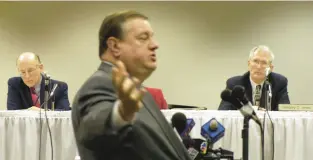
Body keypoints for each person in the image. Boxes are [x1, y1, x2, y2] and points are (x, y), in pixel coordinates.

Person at [71, 11, 191, 160]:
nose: (155, 45)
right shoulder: (100, 84)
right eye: (143, 38)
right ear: (114, 46)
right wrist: (121, 113)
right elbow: (92, 132)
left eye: (152, 37)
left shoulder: (136, 90)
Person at [218, 45, 290, 111]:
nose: (259, 67)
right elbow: (223, 110)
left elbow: (284, 111)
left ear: (270, 68)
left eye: (264, 63)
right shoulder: (234, 83)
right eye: (255, 61)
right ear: (249, 64)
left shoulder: (280, 82)